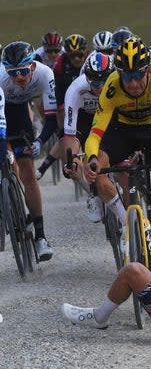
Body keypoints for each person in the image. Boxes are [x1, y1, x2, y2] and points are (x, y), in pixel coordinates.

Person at [83, 35, 151, 297]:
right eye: (126, 76)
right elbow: (96, 134)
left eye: (137, 75)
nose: (132, 83)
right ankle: (124, 218)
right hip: (123, 131)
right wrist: (93, 159)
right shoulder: (111, 86)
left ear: (148, 70)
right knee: (99, 166)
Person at [0, 41, 58, 261]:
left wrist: (40, 141)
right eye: (13, 73)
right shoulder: (1, 80)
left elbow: (52, 119)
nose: (19, 78)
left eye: (23, 71)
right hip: (4, 109)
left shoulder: (45, 74)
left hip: (22, 112)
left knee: (28, 172)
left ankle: (41, 236)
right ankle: (5, 193)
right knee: (5, 153)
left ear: (32, 66)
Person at [61, 52, 116, 223]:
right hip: (85, 121)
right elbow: (70, 134)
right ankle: (93, 195)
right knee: (74, 164)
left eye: (105, 82)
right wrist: (72, 160)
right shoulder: (75, 89)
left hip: (111, 116)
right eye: (95, 83)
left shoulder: (119, 83)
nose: (100, 88)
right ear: (87, 79)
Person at [35, 33, 89, 179]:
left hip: (89, 100)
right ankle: (43, 123)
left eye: (80, 55)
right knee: (64, 131)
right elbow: (57, 96)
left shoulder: (90, 62)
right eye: (73, 56)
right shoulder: (58, 64)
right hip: (65, 93)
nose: (77, 59)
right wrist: (59, 121)